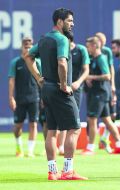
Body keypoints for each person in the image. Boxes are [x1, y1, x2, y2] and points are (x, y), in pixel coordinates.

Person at [24, 8, 87, 180]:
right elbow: (62, 63)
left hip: (47, 89)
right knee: (74, 128)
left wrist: (38, 78)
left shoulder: (44, 39)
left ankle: (52, 171)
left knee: (51, 131)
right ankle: (68, 171)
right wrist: (65, 85)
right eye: (69, 21)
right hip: (59, 90)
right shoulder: (62, 39)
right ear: (59, 21)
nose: (72, 24)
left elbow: (28, 57)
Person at [82, 36, 120, 155]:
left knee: (92, 119)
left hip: (99, 93)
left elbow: (107, 75)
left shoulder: (101, 58)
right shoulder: (94, 58)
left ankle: (90, 147)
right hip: (100, 93)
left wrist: (90, 77)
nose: (87, 49)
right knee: (107, 120)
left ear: (95, 46)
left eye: (89, 46)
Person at [57, 32, 90, 156]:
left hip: (75, 88)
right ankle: (61, 147)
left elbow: (86, 70)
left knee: (73, 119)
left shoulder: (81, 50)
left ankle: (69, 148)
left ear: (70, 41)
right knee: (61, 117)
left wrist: (78, 82)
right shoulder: (61, 50)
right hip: (61, 88)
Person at [8, 37, 40, 158]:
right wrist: (11, 98)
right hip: (20, 99)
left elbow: (41, 80)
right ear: (22, 47)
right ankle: (18, 146)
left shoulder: (37, 61)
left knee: (33, 124)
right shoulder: (16, 62)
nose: (27, 48)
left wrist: (43, 97)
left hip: (34, 97)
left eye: (29, 46)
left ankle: (30, 151)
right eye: (25, 46)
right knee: (17, 126)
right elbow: (11, 81)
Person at [95, 32, 117, 152]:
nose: (100, 43)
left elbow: (111, 68)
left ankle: (105, 138)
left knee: (112, 115)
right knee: (95, 117)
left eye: (102, 41)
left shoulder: (106, 51)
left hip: (106, 86)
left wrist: (112, 84)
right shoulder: (91, 51)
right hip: (96, 88)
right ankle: (93, 143)